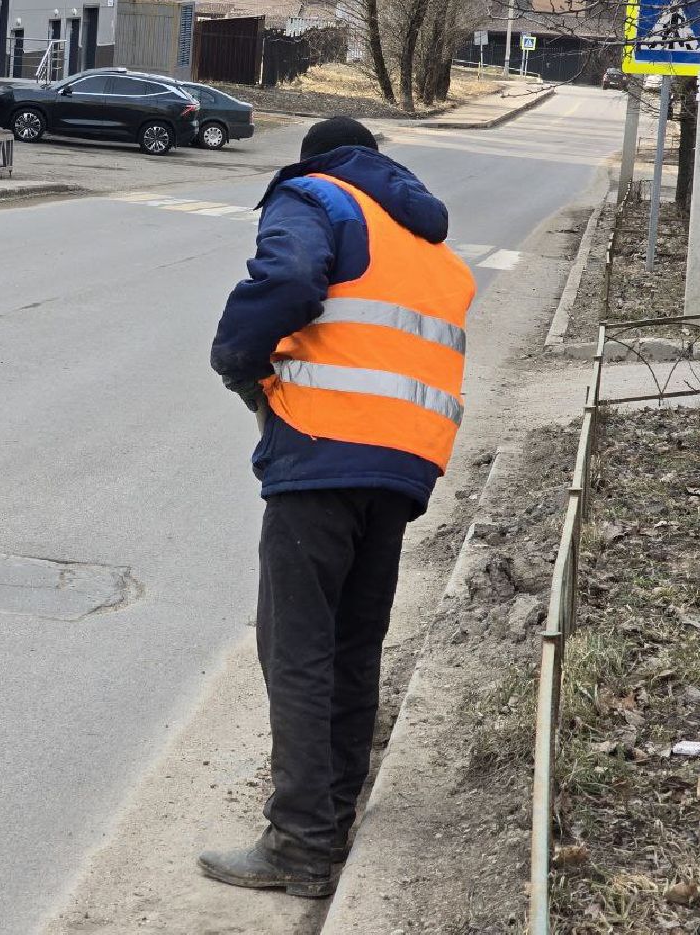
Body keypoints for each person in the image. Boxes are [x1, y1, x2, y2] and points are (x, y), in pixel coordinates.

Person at [201, 117, 476, 898]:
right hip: (404, 462)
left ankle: (299, 844)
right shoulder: (420, 238)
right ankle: (334, 815)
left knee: (297, 645)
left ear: (314, 159)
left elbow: (288, 281)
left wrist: (238, 361)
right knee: (355, 643)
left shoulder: (316, 196)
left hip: (323, 446)